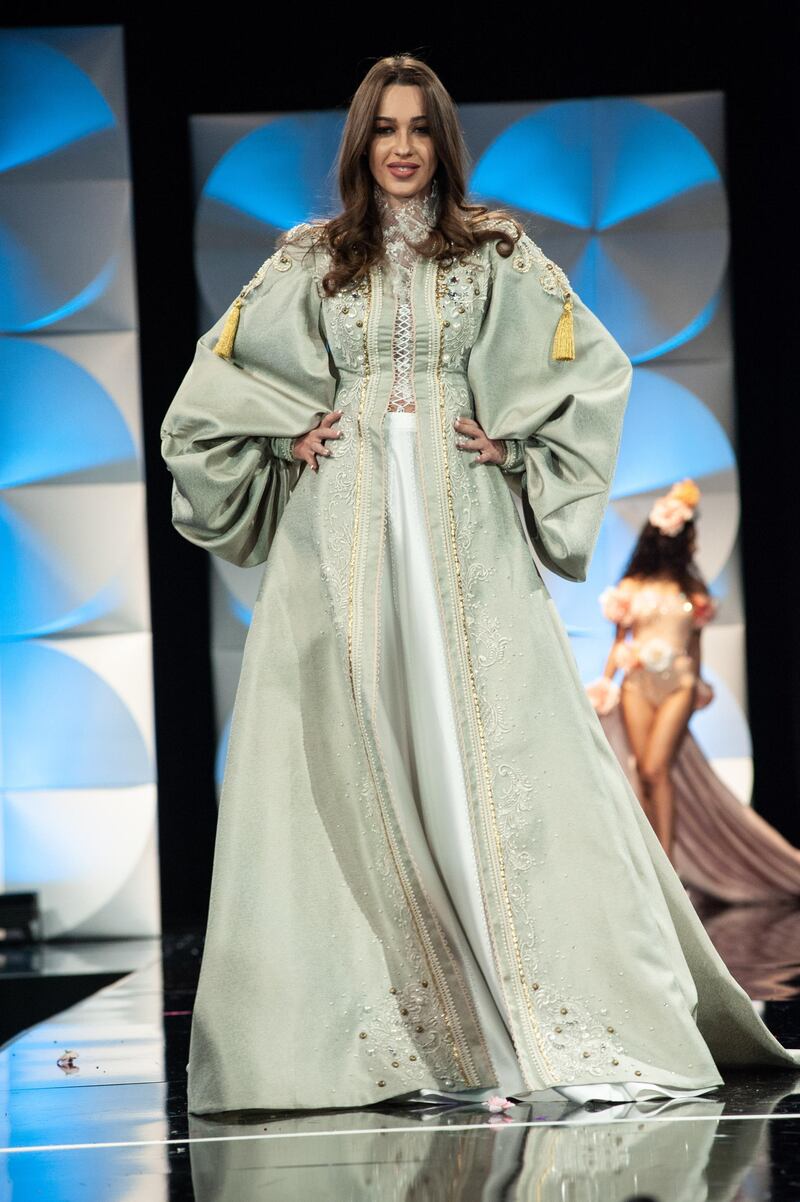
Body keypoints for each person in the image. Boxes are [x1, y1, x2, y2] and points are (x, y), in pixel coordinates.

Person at [160, 54, 800, 1115]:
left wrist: (513, 443)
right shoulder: (311, 256)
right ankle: (397, 1028)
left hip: (462, 523)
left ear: (441, 140)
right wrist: (290, 427)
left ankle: (535, 1011)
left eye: (418, 128)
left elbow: (590, 367)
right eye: (383, 129)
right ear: (359, 144)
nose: (401, 147)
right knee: (360, 744)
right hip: (347, 527)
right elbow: (213, 384)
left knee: (487, 751)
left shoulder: (494, 250)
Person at [587, 478, 800, 903]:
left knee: (656, 769)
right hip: (637, 683)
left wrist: (699, 686)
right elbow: (619, 642)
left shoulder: (694, 592)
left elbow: (695, 647)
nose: (681, 537)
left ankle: (667, 869)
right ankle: (656, 868)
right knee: (642, 772)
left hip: (679, 684)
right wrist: (606, 684)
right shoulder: (630, 587)